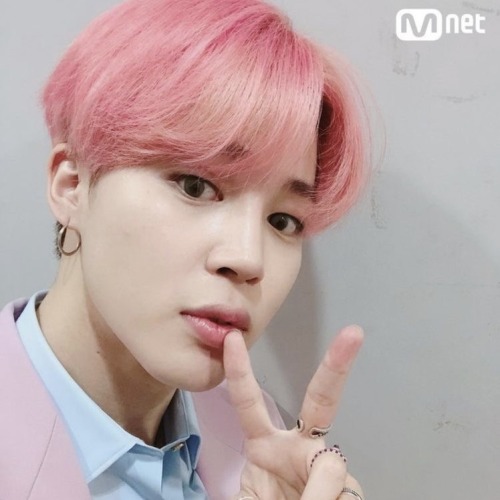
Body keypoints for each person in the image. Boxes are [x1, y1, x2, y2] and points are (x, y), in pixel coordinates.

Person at [0, 0, 372, 498]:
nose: (248, 259)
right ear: (72, 187)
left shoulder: (257, 443)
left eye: (283, 221)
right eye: (196, 186)